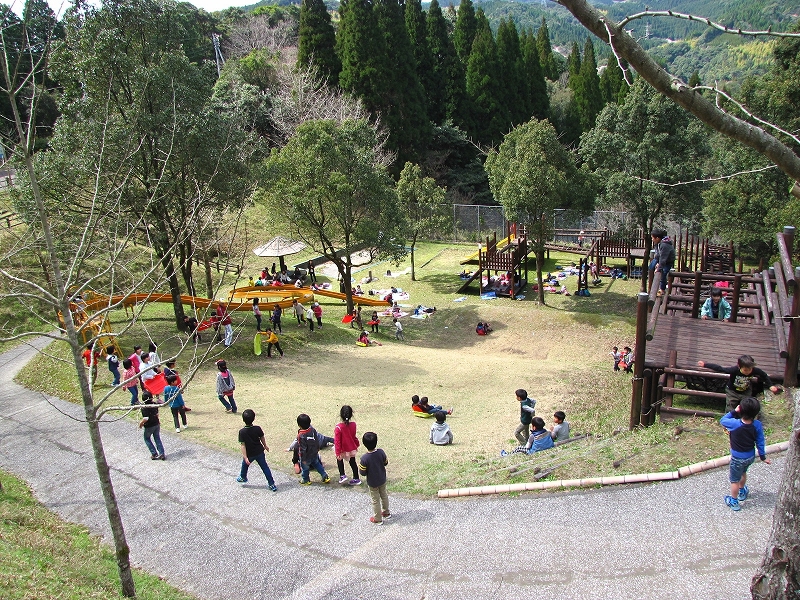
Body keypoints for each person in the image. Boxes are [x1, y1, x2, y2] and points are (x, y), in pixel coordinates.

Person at [720, 397, 770, 511]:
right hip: (750, 456)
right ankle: (742, 491)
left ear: (741, 410)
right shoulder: (757, 425)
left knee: (734, 480)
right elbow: (760, 442)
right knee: (743, 472)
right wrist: (763, 457)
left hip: (737, 458)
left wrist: (734, 411)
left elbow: (723, 420)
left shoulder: (734, 424)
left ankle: (734, 501)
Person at [697, 355, 779, 413]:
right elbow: (721, 368)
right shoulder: (734, 370)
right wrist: (705, 364)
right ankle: (729, 421)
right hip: (732, 391)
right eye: (745, 370)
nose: (748, 372)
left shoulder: (754, 370)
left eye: (750, 369)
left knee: (747, 406)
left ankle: (745, 420)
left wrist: (770, 385)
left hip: (746, 391)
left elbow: (764, 375)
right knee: (730, 406)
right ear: (739, 367)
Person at [235, 409, 277, 491]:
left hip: (250, 454)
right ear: (254, 418)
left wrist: (245, 457)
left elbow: (243, 445)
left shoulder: (242, 432)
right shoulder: (257, 428)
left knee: (245, 465)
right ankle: (271, 484)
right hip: (259, 452)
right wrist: (265, 446)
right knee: (265, 468)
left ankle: (243, 477)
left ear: (243, 419)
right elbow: (262, 438)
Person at [359, 432, 390, 524]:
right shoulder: (381, 452)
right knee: (384, 495)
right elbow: (386, 462)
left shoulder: (364, 458)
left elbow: (362, 472)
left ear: (364, 444)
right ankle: (386, 512)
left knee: (375, 500)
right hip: (382, 479)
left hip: (372, 482)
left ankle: (378, 518)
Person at [296, 413, 330, 485]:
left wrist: (303, 458)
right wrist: (317, 448)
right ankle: (325, 476)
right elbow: (316, 440)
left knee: (305, 468)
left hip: (306, 456)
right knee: (317, 465)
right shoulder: (312, 430)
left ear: (299, 425)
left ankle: (306, 480)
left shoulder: (301, 435)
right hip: (314, 453)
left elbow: (302, 448)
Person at [334, 405, 361, 485]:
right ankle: (356, 478)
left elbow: (337, 441)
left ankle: (342, 475)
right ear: (351, 415)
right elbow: (353, 436)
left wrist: (337, 452)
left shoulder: (338, 427)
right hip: (351, 447)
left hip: (342, 448)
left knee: (339, 460)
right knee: (353, 462)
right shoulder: (353, 425)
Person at [138, 391, 165, 460]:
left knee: (147, 438)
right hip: (156, 423)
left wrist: (141, 424)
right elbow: (157, 414)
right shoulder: (155, 404)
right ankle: (162, 453)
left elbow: (146, 418)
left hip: (149, 426)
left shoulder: (144, 407)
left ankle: (154, 453)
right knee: (157, 438)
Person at [649, 229, 675, 297]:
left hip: (668, 262)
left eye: (652, 237)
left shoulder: (664, 245)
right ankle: (651, 282)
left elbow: (663, 259)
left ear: (657, 238)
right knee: (651, 267)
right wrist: (657, 263)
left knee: (663, 273)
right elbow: (658, 254)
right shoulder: (657, 243)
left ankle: (662, 289)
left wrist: (659, 268)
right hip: (660, 259)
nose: (652, 239)